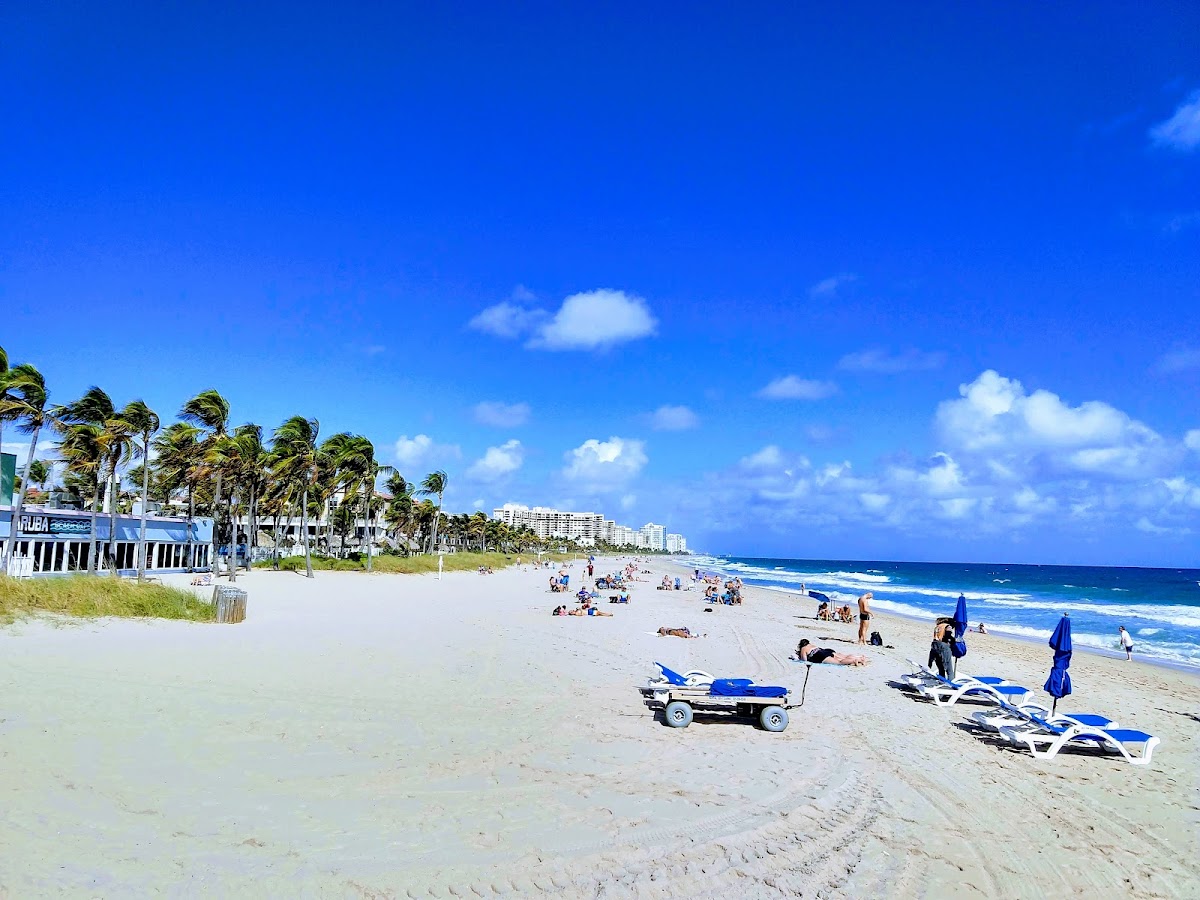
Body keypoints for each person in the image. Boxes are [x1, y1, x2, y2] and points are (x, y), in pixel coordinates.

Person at [797, 639, 869, 666]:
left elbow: (804, 660)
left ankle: (856, 660)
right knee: (844, 656)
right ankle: (859, 657)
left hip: (820, 655)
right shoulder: (811, 645)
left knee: (839, 662)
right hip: (825, 650)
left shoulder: (803, 648)